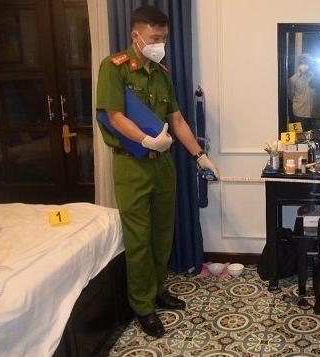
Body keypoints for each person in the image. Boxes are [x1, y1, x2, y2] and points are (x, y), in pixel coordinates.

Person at [96, 5, 218, 337]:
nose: (160, 43)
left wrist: (199, 155)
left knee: (162, 234)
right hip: (131, 165)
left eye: (164, 38)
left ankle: (158, 289)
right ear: (136, 35)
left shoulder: (162, 74)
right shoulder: (114, 68)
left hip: (163, 166)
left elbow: (176, 119)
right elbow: (114, 115)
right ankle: (143, 306)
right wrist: (149, 140)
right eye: (154, 37)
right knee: (138, 239)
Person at [288, 54, 315, 129]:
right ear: (299, 64)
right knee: (297, 137)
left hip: (312, 113)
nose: (304, 65)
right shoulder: (293, 79)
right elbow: (290, 96)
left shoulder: (313, 77)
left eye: (306, 63)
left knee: (310, 138)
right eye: (302, 63)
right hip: (298, 114)